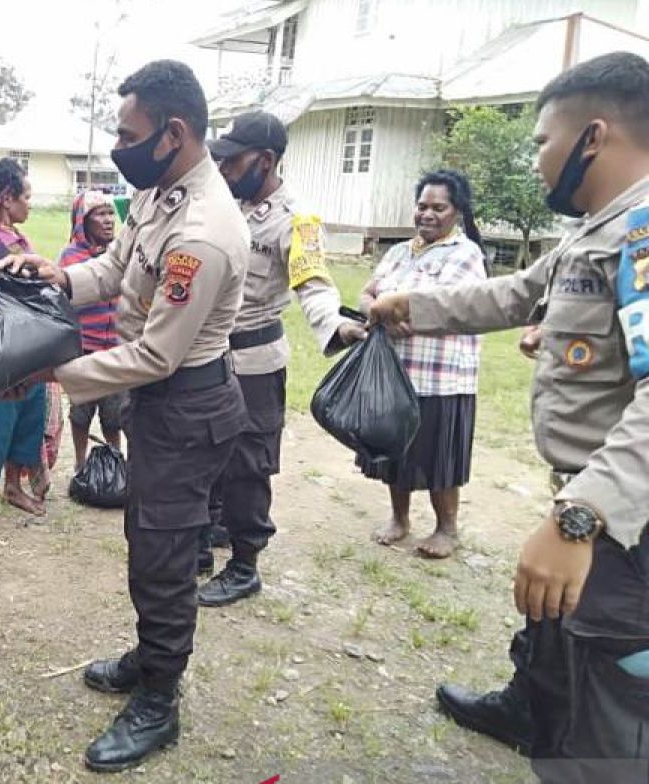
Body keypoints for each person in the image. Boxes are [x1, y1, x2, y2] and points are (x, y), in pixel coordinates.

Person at [370, 52, 649, 781]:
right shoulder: (597, 229)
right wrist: (414, 307)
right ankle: (531, 706)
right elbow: (513, 295)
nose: (535, 162)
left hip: (624, 517)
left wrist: (578, 518)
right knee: (554, 630)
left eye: (540, 141)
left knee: (610, 698)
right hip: (585, 491)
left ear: (593, 136)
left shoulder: (646, 233)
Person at [0, 59, 251, 773]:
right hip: (163, 402)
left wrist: (54, 374)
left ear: (173, 133)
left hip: (188, 399)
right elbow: (113, 270)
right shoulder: (159, 191)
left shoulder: (203, 228)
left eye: (127, 133)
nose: (119, 145)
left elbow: (158, 355)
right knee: (150, 538)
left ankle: (160, 699)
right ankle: (151, 655)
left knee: (165, 554)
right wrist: (60, 276)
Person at [196, 111, 367, 605]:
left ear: (266, 160)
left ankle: (245, 564)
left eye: (234, 160)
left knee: (249, 463)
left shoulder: (297, 219)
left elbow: (312, 281)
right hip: (208, 353)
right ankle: (205, 539)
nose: (224, 168)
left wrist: (336, 323)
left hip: (254, 361)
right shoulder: (222, 204)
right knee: (206, 448)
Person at [358, 169, 488, 559]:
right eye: (422, 206)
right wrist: (376, 309)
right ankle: (400, 519)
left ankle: (447, 528)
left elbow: (442, 302)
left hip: (442, 378)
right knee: (394, 450)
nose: (427, 214)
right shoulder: (399, 252)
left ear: (457, 212)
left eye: (438, 207)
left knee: (439, 456)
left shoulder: (466, 254)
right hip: (397, 374)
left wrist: (390, 308)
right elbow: (368, 293)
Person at [0, 158, 51, 516]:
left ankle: (13, 486)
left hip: (25, 343)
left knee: (28, 411)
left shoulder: (20, 239)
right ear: (7, 198)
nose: (29, 204)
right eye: (27, 196)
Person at [58, 190, 127, 472]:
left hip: (116, 350)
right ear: (82, 222)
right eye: (100, 214)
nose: (109, 220)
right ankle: (80, 465)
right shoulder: (70, 257)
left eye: (111, 213)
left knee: (115, 415)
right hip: (83, 349)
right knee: (81, 412)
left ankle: (115, 465)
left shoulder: (120, 254)